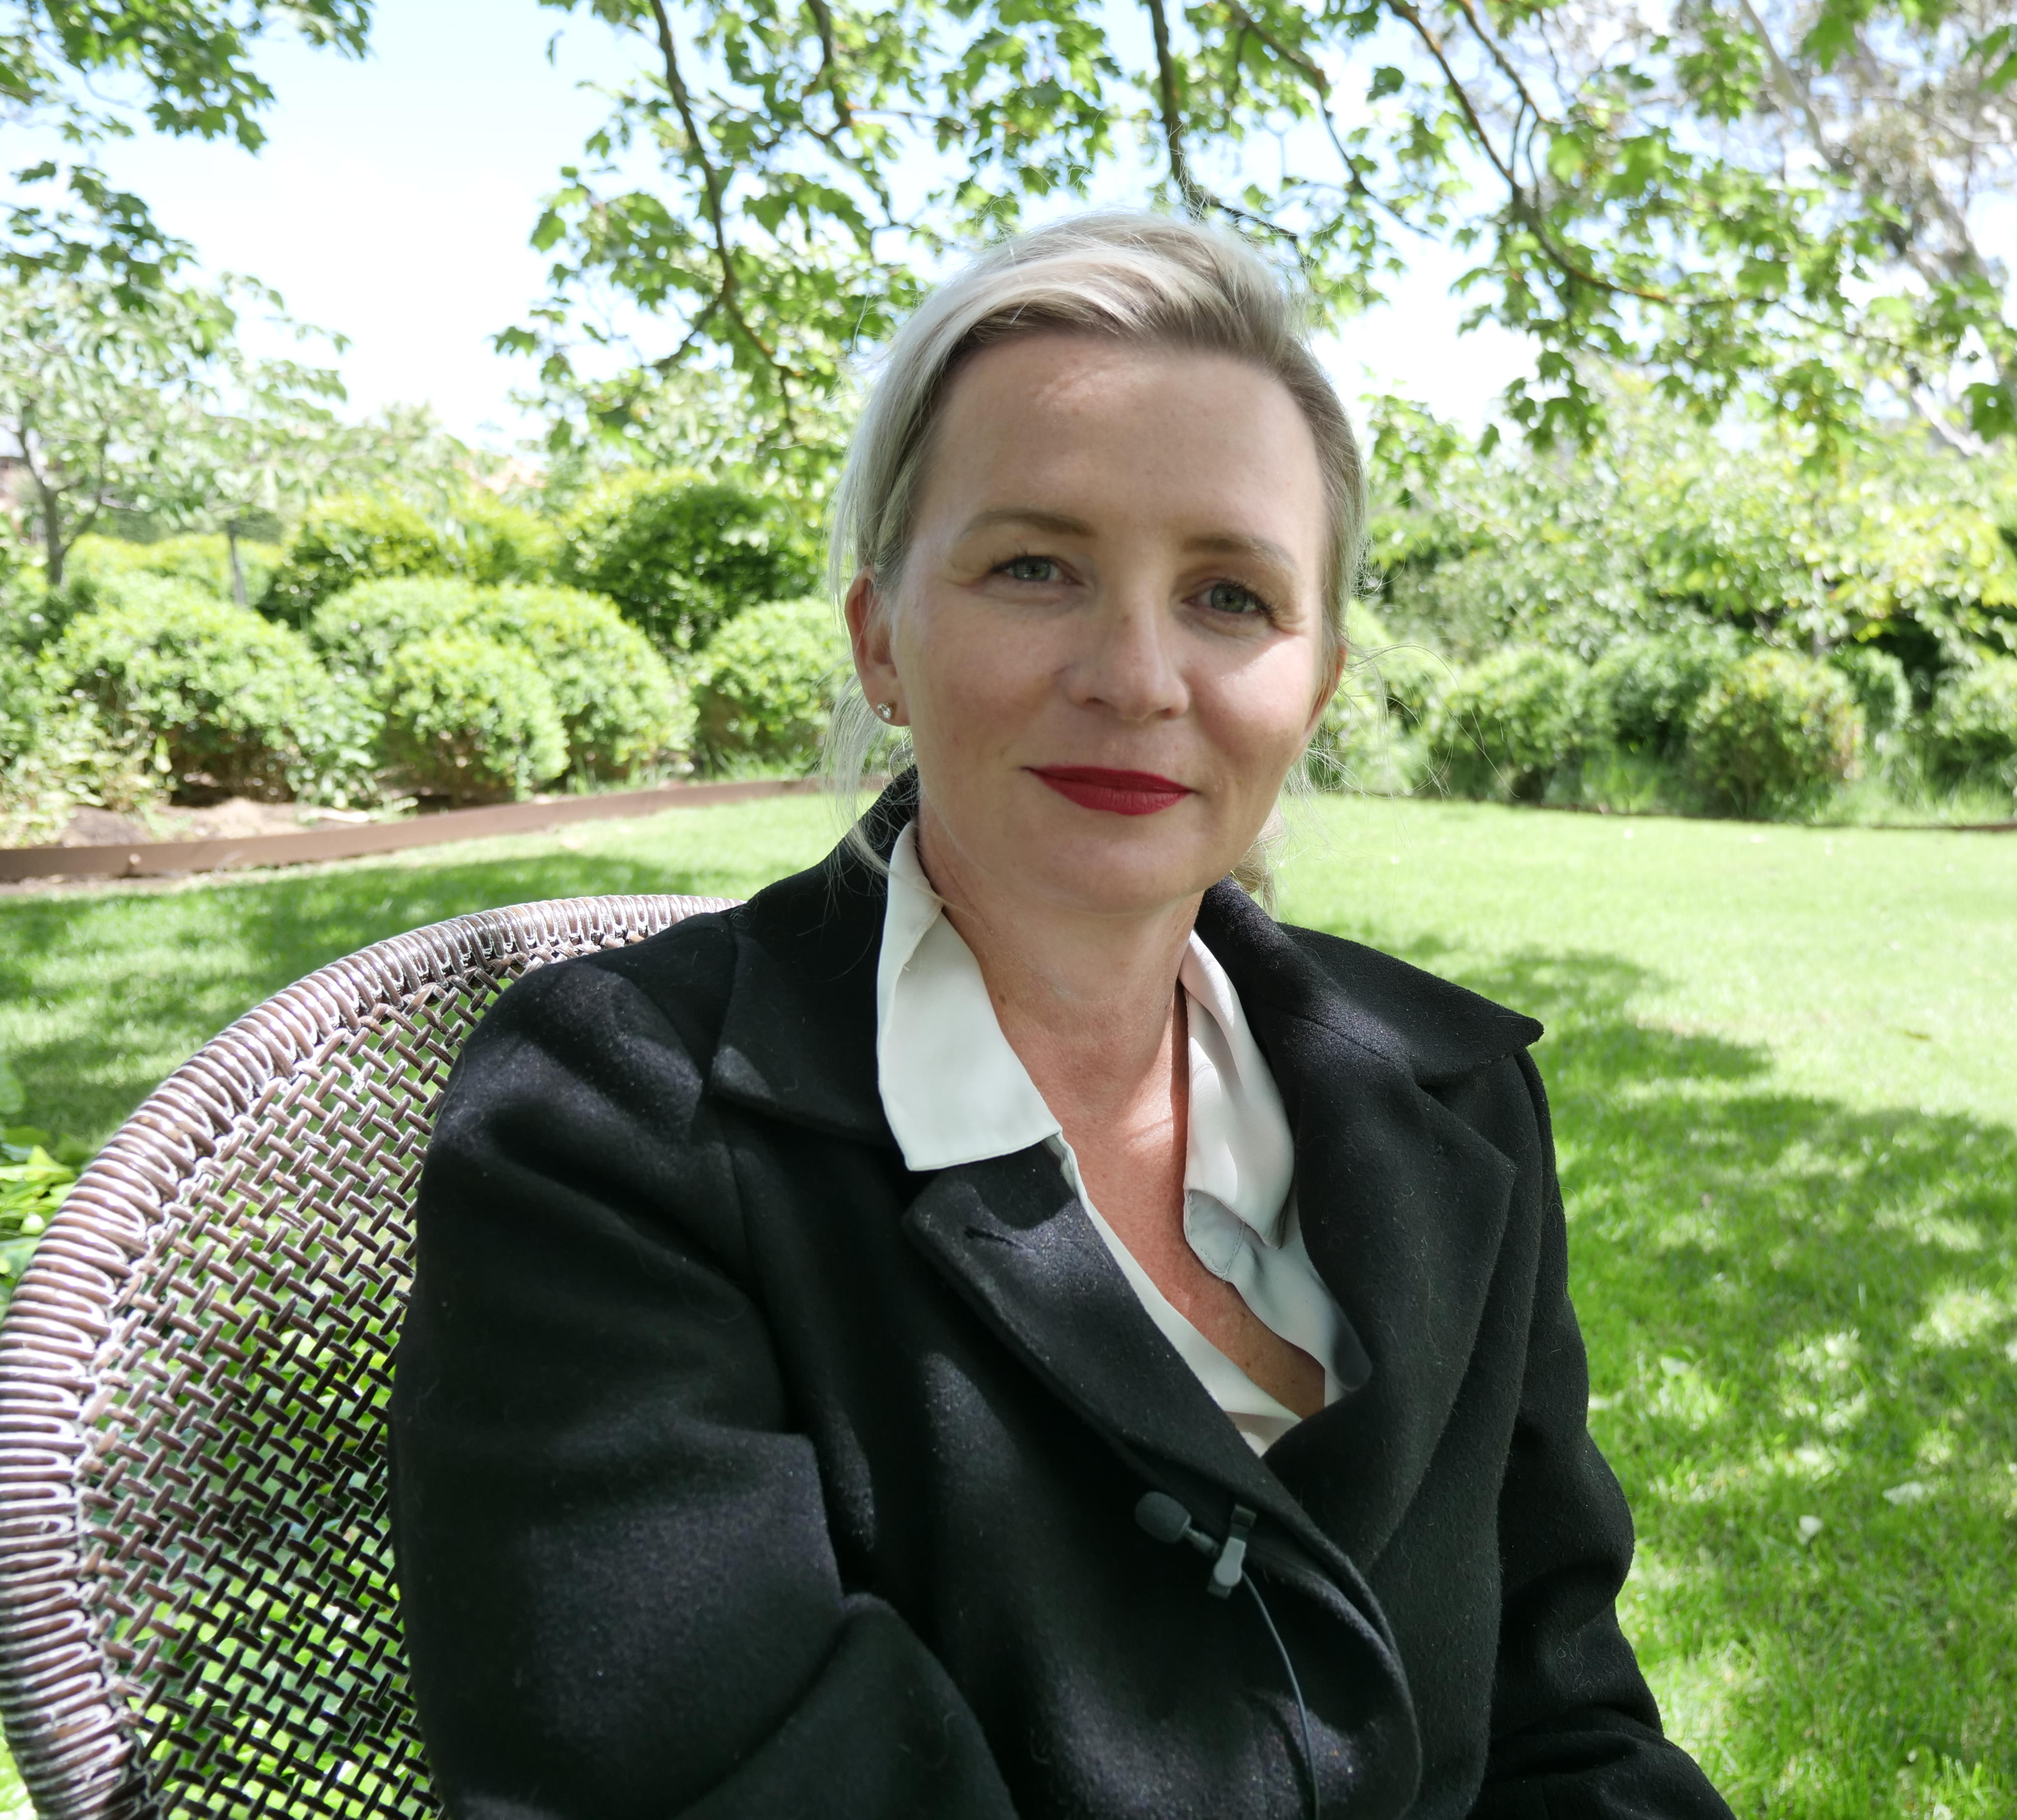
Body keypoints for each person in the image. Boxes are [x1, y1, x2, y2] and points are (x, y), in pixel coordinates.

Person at [388, 212, 1732, 1820]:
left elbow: (1565, 1716)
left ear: (1316, 684)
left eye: (1231, 596)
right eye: (1037, 566)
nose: (1137, 672)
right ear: (884, 635)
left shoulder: (1453, 1104)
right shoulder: (613, 1122)